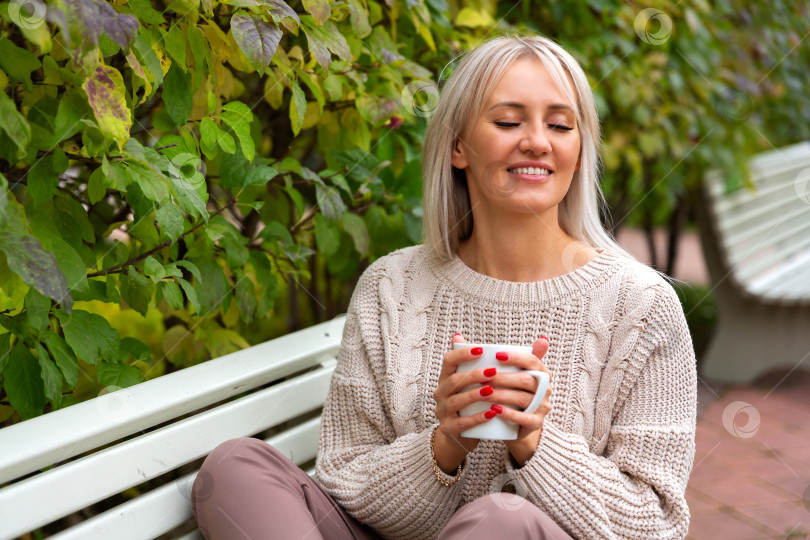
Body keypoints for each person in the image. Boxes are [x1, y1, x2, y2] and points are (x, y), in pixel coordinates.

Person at [191, 34, 697, 539]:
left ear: (580, 150)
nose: (538, 142)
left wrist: (536, 447)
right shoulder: (391, 287)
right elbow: (344, 478)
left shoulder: (641, 305)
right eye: (508, 122)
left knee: (502, 519)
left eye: (561, 125)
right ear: (458, 147)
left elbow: (656, 522)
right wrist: (444, 445)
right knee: (236, 469)